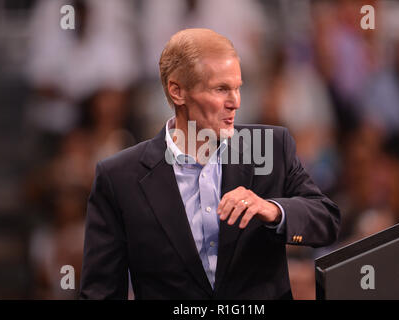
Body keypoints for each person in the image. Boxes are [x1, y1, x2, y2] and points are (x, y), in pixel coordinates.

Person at [80, 28, 340, 299]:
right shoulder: (119, 177)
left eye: (238, 88)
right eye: (221, 89)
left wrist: (273, 209)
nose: (235, 102)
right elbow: (101, 292)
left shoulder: (272, 147)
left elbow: (326, 221)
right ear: (177, 91)